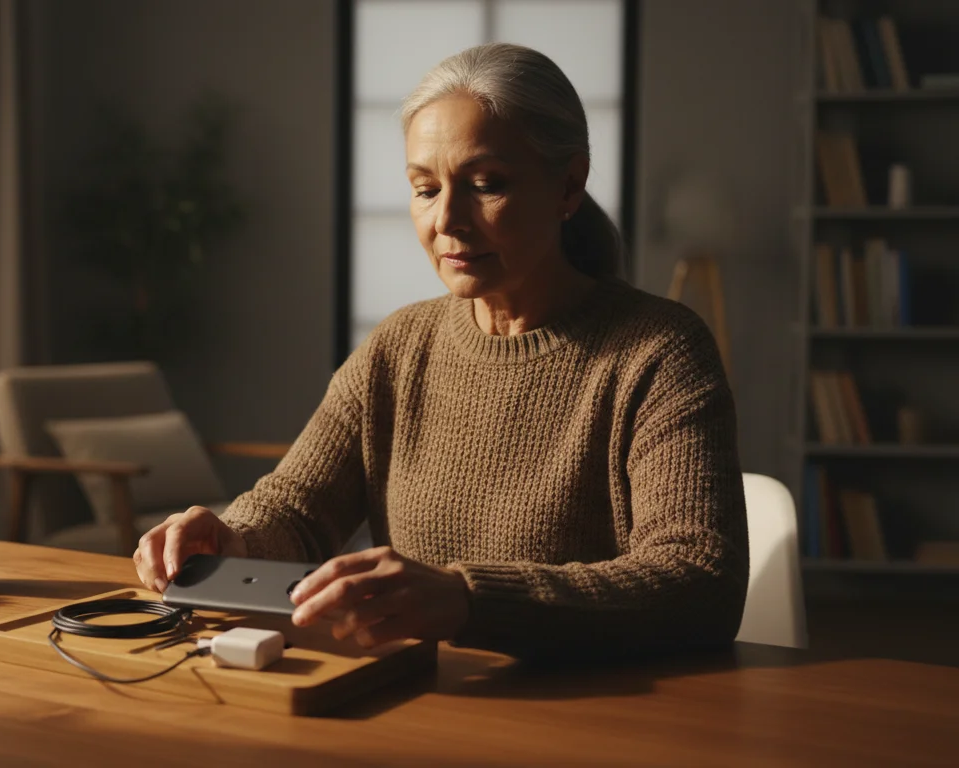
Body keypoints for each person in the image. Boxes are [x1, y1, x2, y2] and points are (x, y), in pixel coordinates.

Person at [134, 43, 748, 659]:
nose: (448, 220)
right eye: (425, 189)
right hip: (412, 697)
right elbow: (297, 508)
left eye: (486, 185)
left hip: (588, 716)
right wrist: (231, 539)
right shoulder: (400, 346)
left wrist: (468, 599)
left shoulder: (660, 351)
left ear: (569, 185)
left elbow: (698, 581)